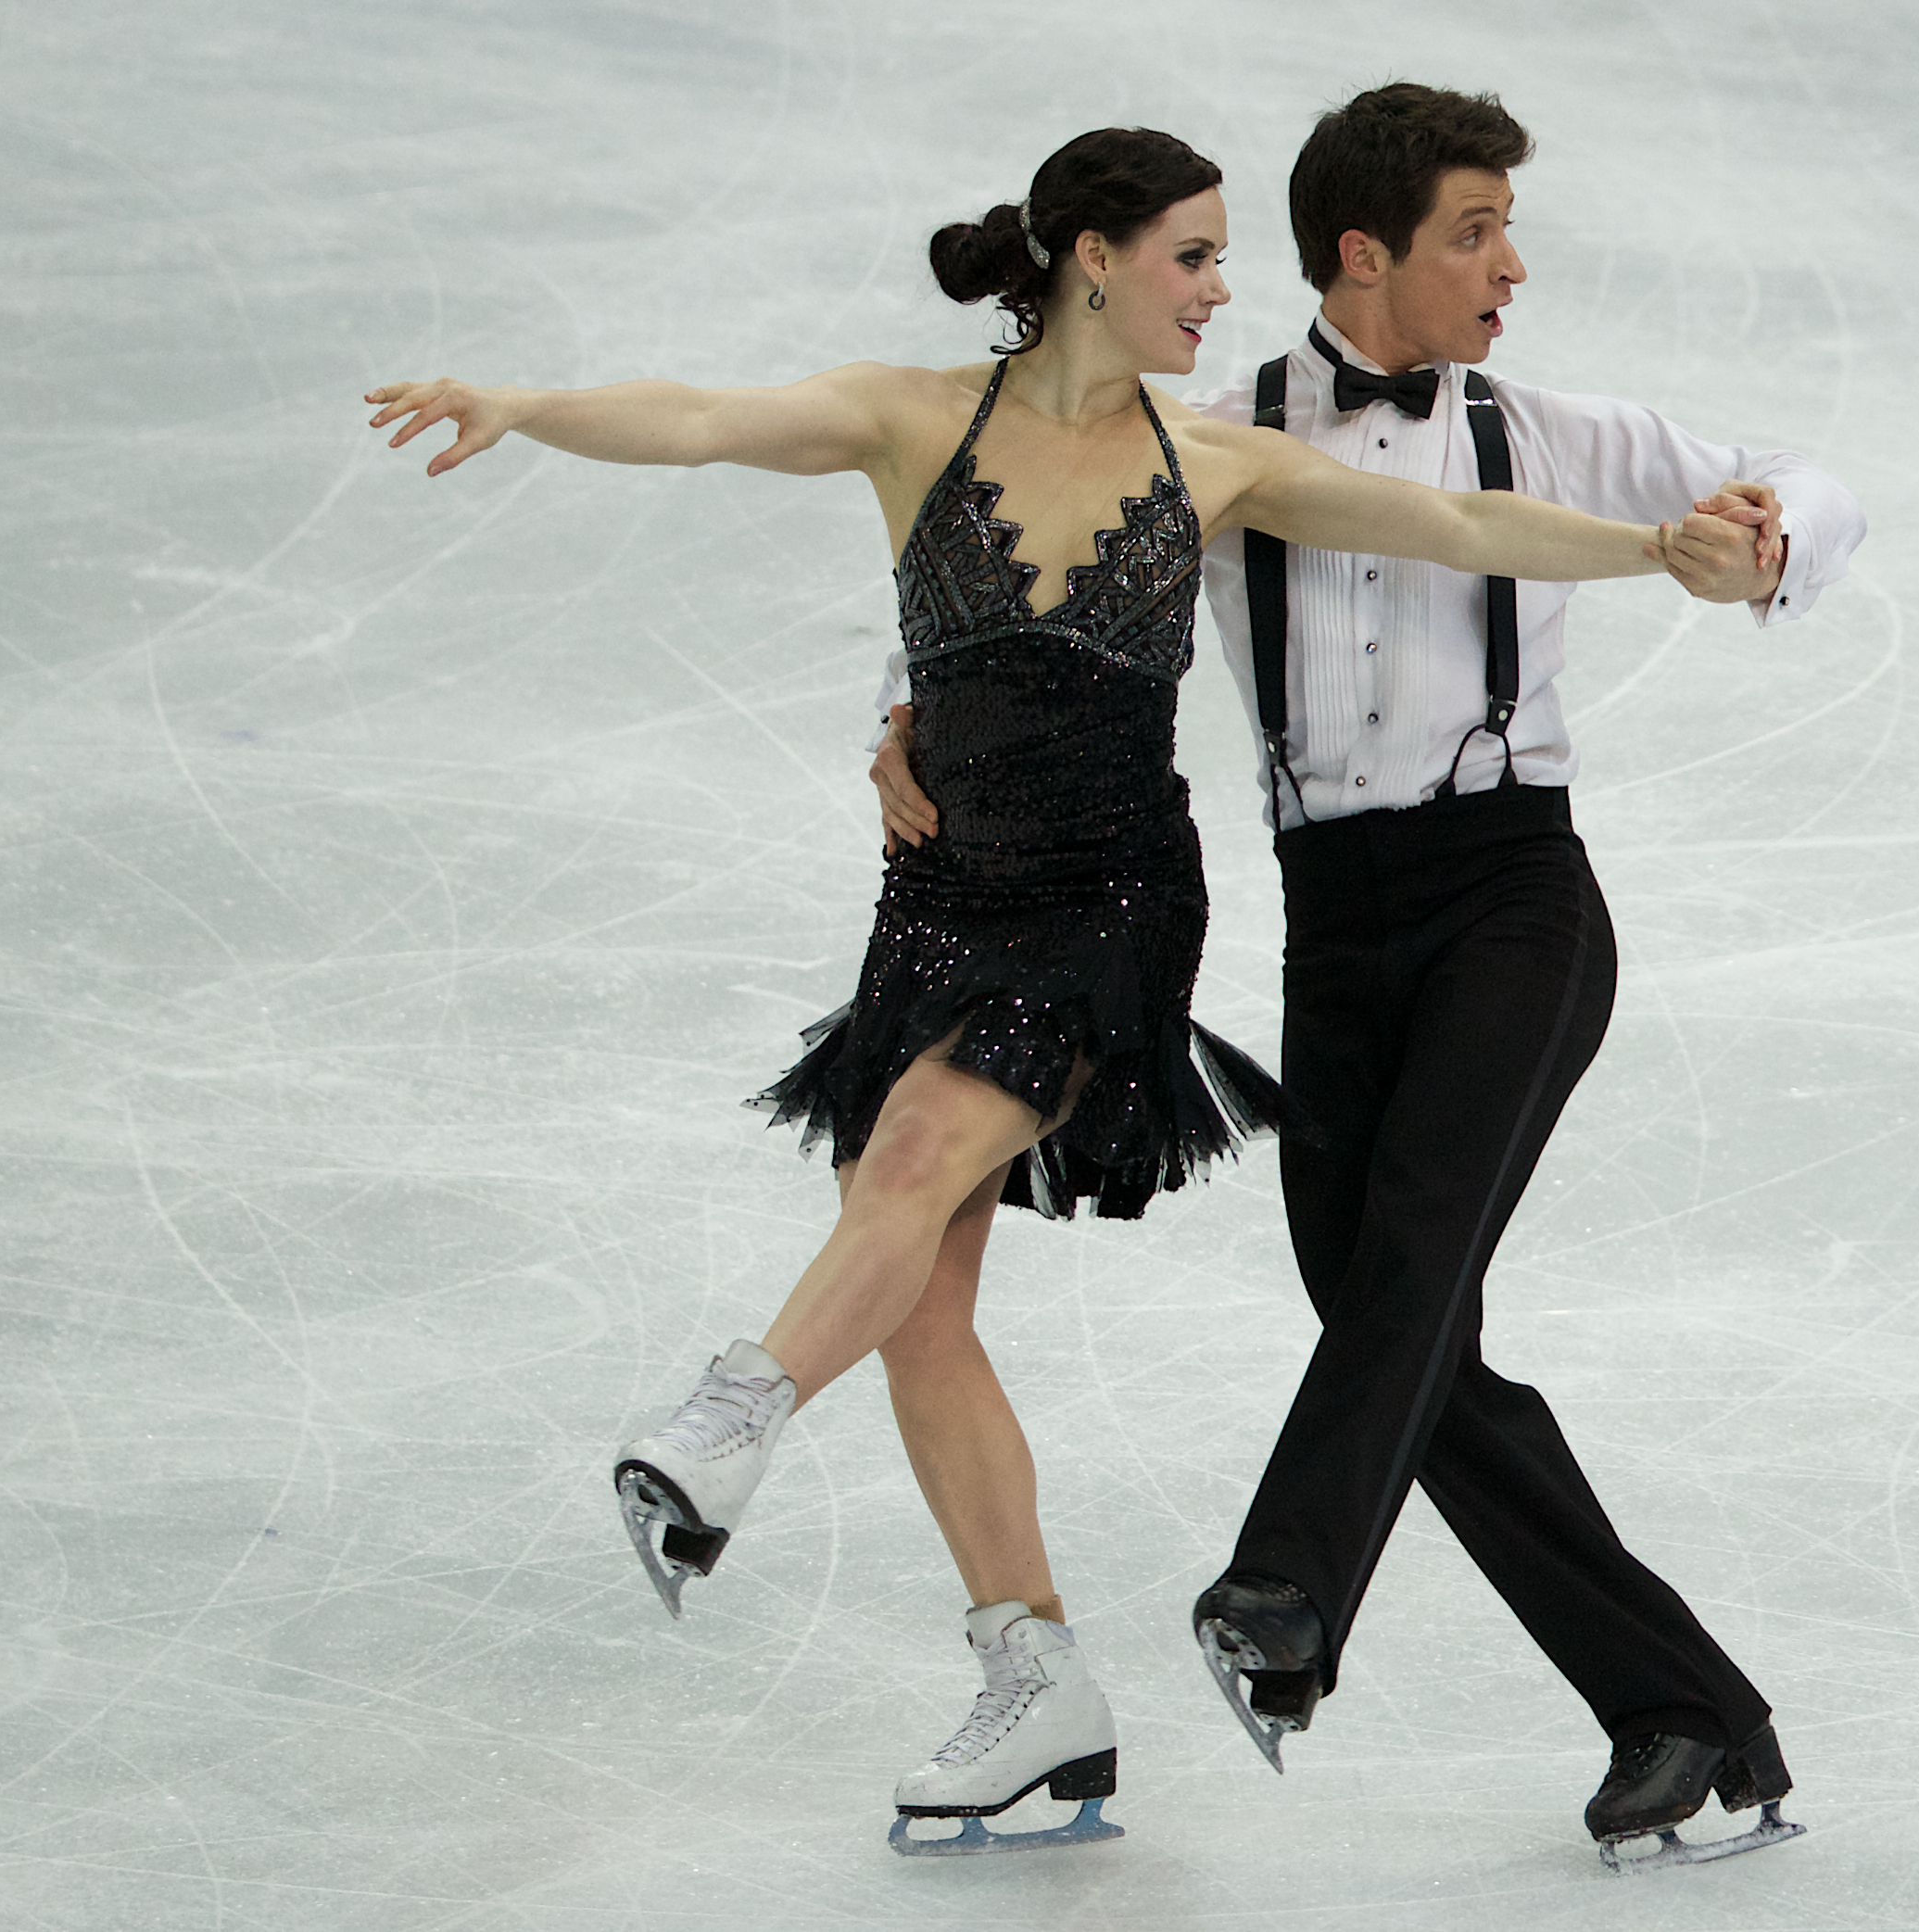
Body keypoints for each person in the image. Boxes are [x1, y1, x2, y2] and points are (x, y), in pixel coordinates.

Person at [365, 126, 1748, 1858]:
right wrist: (516, 404)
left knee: (911, 1159)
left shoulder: (1209, 454)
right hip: (942, 899)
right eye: (1194, 257)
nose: (1221, 289)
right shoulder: (908, 418)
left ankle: (732, 1412)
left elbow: (1458, 517)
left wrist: (1655, 551)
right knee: (917, 1299)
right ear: (1095, 257)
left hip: (1110, 904)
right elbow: (704, 418)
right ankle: (1036, 1687)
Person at [874, 84, 1866, 1873]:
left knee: (1403, 1266)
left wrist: (1766, 534)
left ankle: (1285, 1589)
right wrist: (905, 721)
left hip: (1513, 904)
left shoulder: (1546, 428)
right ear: (1362, 252)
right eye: (1474, 232)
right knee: (1392, 1318)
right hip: (1328, 922)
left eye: (1506, 231)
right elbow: (1027, 569)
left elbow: (1805, 474)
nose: (1509, 267)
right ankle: (1684, 1706)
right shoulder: (1214, 436)